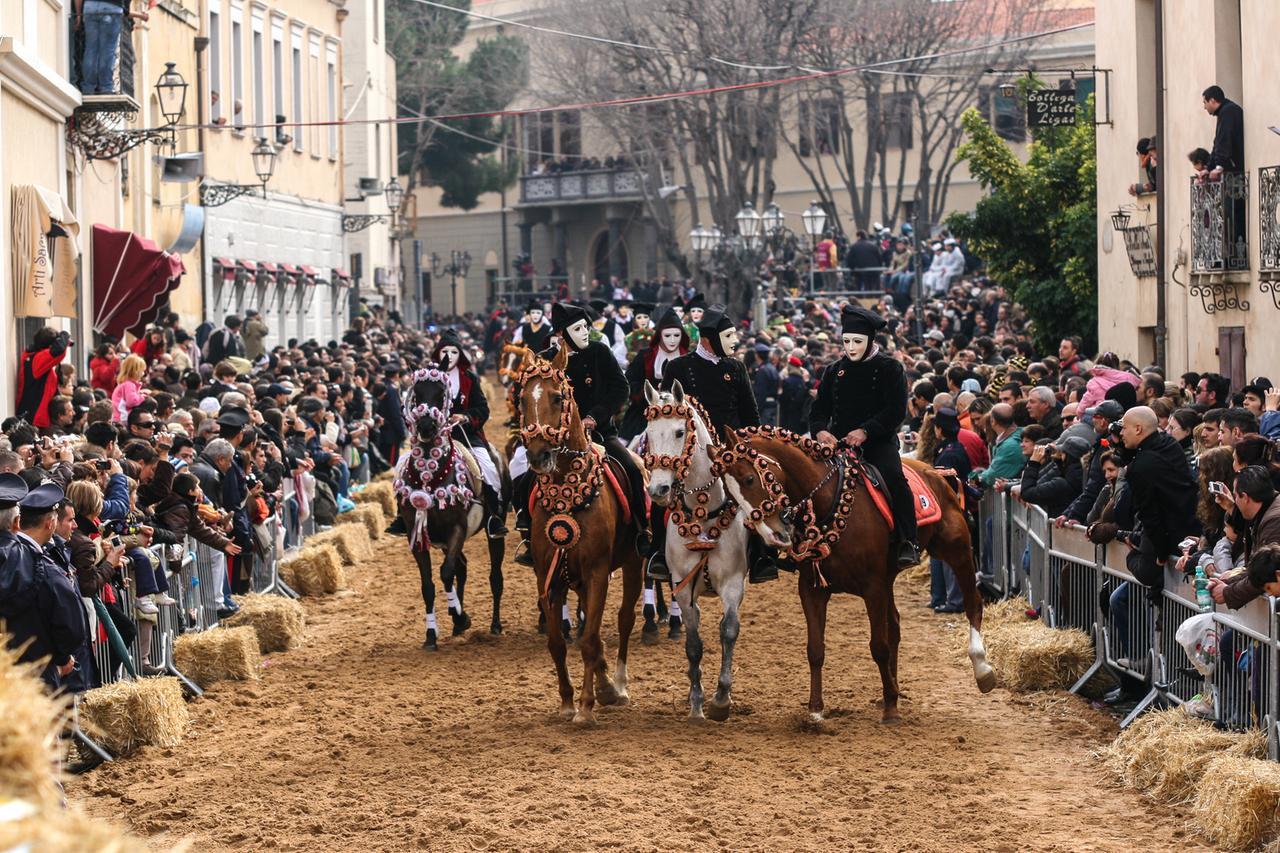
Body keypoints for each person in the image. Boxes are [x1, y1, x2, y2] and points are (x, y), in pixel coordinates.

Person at [809, 305, 917, 567]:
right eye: (846, 341)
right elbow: (818, 410)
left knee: (896, 480)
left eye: (857, 341)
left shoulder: (891, 368)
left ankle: (908, 541)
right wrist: (821, 431)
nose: (851, 347)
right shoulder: (834, 370)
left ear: (870, 341)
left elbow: (895, 411)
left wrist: (866, 431)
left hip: (878, 444)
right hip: (836, 444)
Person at [0, 482, 87, 691]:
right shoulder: (41, 566)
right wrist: (61, 657)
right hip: (35, 677)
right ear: (16, 522)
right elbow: (71, 627)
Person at [433, 330, 507, 538]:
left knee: (488, 468)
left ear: (461, 355)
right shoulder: (428, 376)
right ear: (437, 353)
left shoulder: (469, 378)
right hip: (434, 438)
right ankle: (404, 516)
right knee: (407, 465)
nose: (448, 356)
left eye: (454, 352)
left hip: (466, 436)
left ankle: (493, 515)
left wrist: (464, 417)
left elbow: (482, 409)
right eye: (444, 351)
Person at [1118, 405, 1200, 588]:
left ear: (1138, 429)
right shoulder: (1169, 444)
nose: (1121, 432)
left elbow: (1149, 514)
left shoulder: (1140, 467)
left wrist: (1159, 555)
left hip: (1166, 533)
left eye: (1124, 427)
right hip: (1190, 523)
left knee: (1147, 573)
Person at [620, 307, 688, 442]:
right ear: (660, 336)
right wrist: (647, 394)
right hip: (644, 413)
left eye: (677, 335)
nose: (672, 340)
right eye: (667, 336)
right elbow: (629, 381)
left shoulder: (688, 358)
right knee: (626, 448)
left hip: (681, 416)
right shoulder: (645, 356)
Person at [16, 327, 73, 431]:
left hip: (37, 418)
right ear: (50, 345)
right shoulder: (37, 360)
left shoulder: (35, 357)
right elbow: (58, 351)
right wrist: (65, 334)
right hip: (33, 419)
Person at [111, 354, 149, 424]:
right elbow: (131, 401)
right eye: (142, 371)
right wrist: (142, 397)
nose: (143, 374)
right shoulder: (129, 385)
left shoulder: (124, 384)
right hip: (123, 418)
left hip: (118, 418)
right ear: (135, 371)